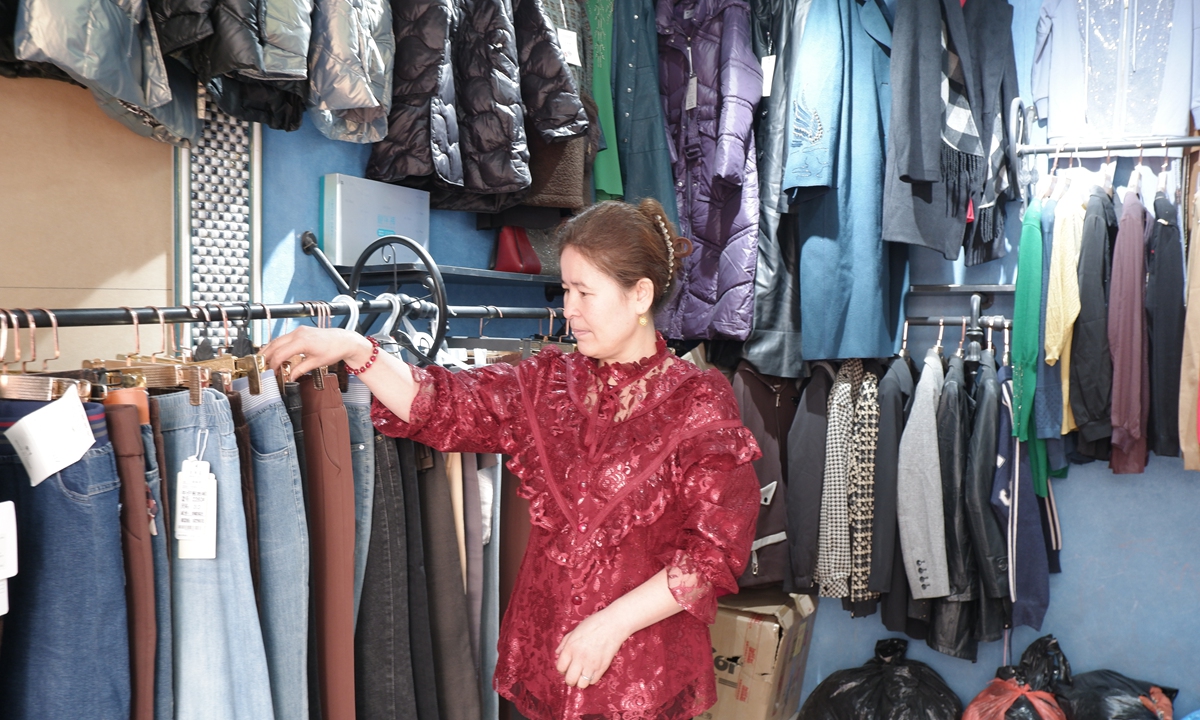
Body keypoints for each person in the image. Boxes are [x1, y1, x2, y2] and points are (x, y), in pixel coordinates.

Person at [263, 199, 762, 720]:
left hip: (640, 674)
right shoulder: (545, 383)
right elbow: (438, 403)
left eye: (584, 292)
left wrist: (610, 625)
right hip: (544, 662)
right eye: (565, 290)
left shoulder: (698, 403)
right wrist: (353, 348)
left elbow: (712, 555)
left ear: (640, 294)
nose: (569, 309)